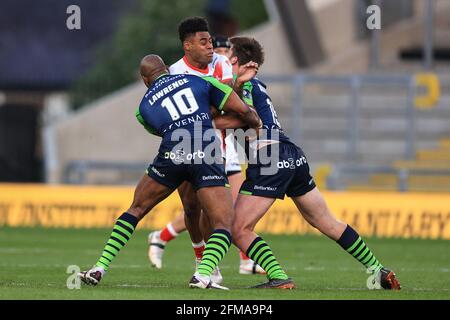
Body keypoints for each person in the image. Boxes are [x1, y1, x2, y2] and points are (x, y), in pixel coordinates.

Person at [228, 36, 401, 290]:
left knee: (237, 227)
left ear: (236, 60)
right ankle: (377, 269)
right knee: (326, 221)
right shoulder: (254, 85)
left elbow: (249, 117)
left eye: (226, 55)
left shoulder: (245, 86)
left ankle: (278, 277)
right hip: (291, 154)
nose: (220, 59)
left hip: (269, 158)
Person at [77, 54, 261, 290]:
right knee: (223, 222)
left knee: (136, 209)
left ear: (145, 80)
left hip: (172, 154)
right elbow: (242, 111)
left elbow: (163, 128)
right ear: (166, 69)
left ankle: (99, 267)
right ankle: (204, 274)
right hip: (205, 150)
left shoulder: (143, 109)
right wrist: (253, 120)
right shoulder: (198, 81)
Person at [147, 18, 264, 278]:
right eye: (204, 42)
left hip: (218, 148)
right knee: (191, 208)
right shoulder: (175, 72)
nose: (211, 47)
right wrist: (209, 109)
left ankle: (214, 265)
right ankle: (199, 258)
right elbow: (176, 115)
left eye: (211, 41)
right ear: (188, 45)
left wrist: (203, 109)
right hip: (184, 148)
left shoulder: (221, 64)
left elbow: (226, 101)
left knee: (219, 212)